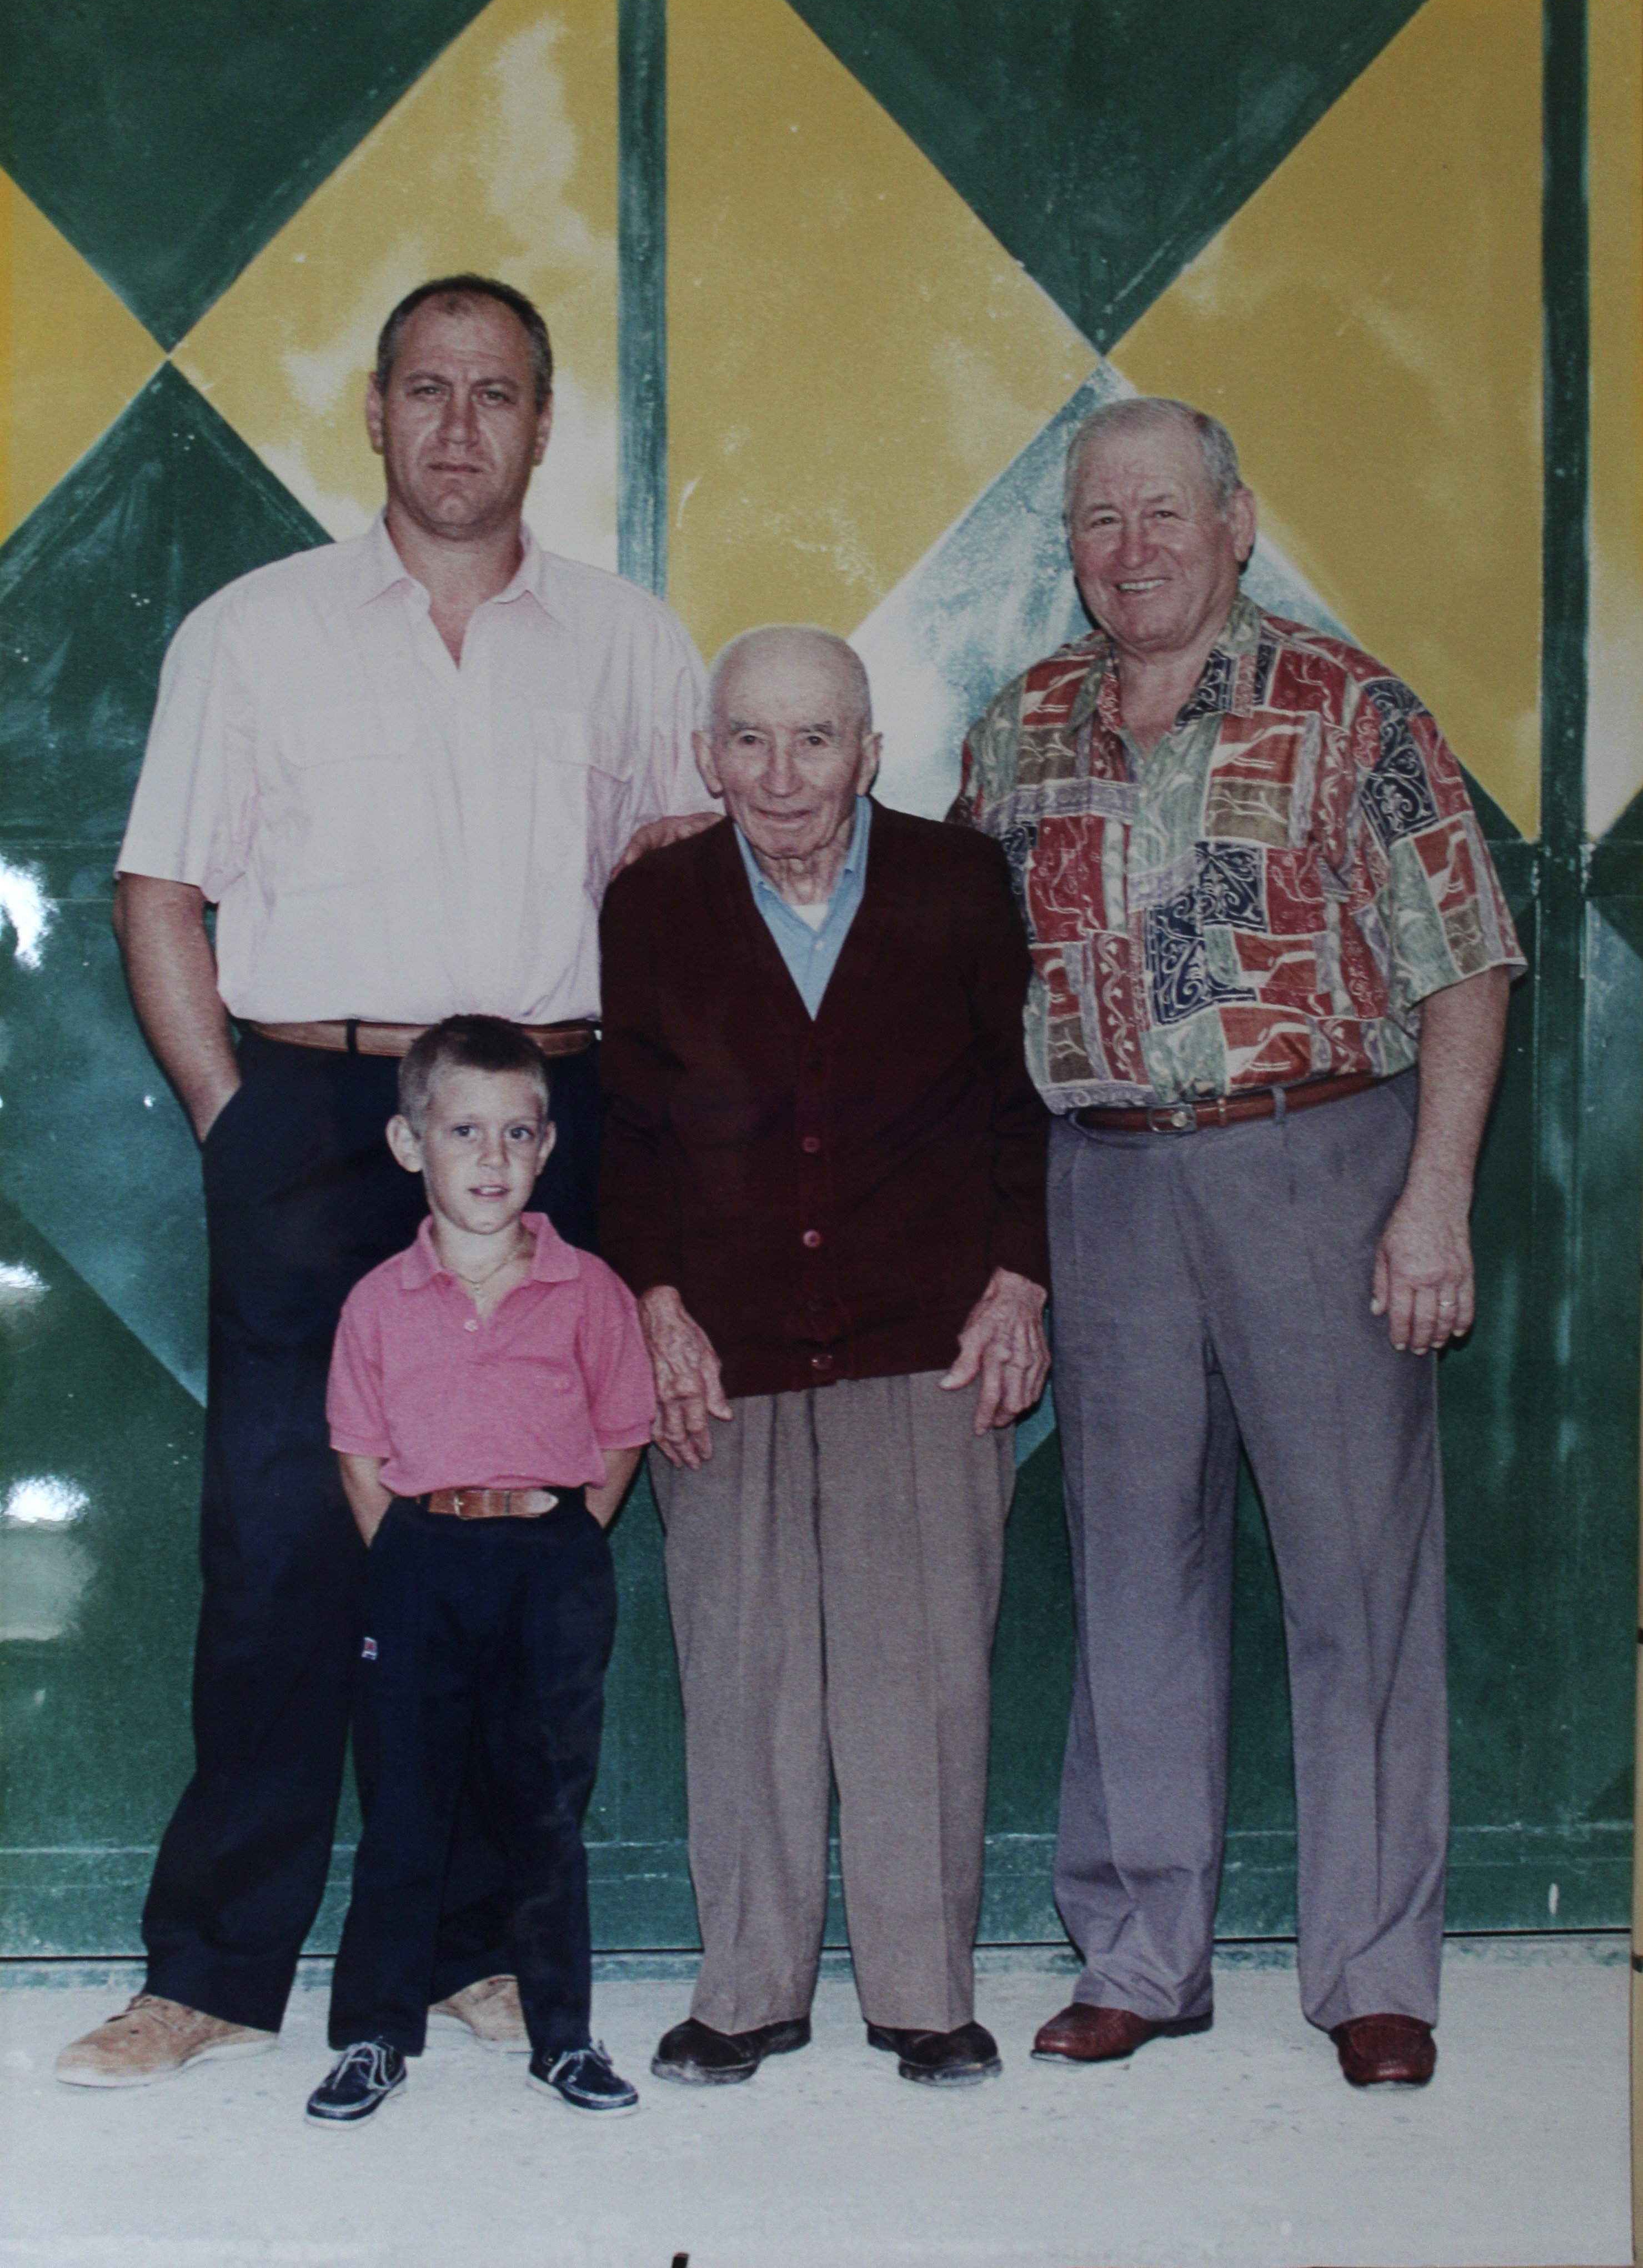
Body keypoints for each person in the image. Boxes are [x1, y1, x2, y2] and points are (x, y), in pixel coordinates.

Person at [58, 274, 714, 2089]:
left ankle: (480, 1953)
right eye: (424, 389)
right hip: (316, 1114)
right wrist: (235, 1122)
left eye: (492, 393)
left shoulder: (629, 644)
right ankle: (204, 1970)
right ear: (373, 412)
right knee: (280, 1550)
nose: (454, 425)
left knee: (517, 1557)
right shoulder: (252, 631)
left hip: (548, 1120)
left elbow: (669, 913)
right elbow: (158, 893)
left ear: (537, 423)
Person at [950, 396, 1523, 2090]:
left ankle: (1369, 1975)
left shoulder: (1352, 709)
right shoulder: (1017, 732)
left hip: (1318, 1161)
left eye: (1157, 515)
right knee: (1132, 1569)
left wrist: (1431, 1198)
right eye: (1093, 522)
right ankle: (1139, 1954)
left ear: (1232, 521)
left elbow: (1464, 963)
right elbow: (945, 970)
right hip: (1104, 1178)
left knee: (1353, 1578)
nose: (1125, 551)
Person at [599, 625, 1051, 2090]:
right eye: (747, 739)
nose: (779, 774)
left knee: (916, 1676)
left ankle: (923, 1996)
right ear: (703, 756)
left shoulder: (954, 882)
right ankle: (746, 1992)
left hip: (922, 1341)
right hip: (719, 1345)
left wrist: (1017, 1282)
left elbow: (1016, 1106)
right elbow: (632, 1128)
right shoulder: (655, 900)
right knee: (740, 1667)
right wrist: (655, 1306)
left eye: (813, 740)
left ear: (870, 752)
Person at [305, 1017, 653, 2126]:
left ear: (548, 1148)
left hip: (550, 1561)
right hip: (421, 1561)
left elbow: (622, 1433)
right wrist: (418, 1551)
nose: (492, 1158)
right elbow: (358, 1453)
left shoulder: (590, 1290)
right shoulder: (377, 1302)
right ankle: (372, 2035)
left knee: (545, 1814)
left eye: (518, 1132)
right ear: (411, 1144)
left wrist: (560, 1542)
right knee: (405, 1810)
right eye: (464, 1130)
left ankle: (563, 2038)